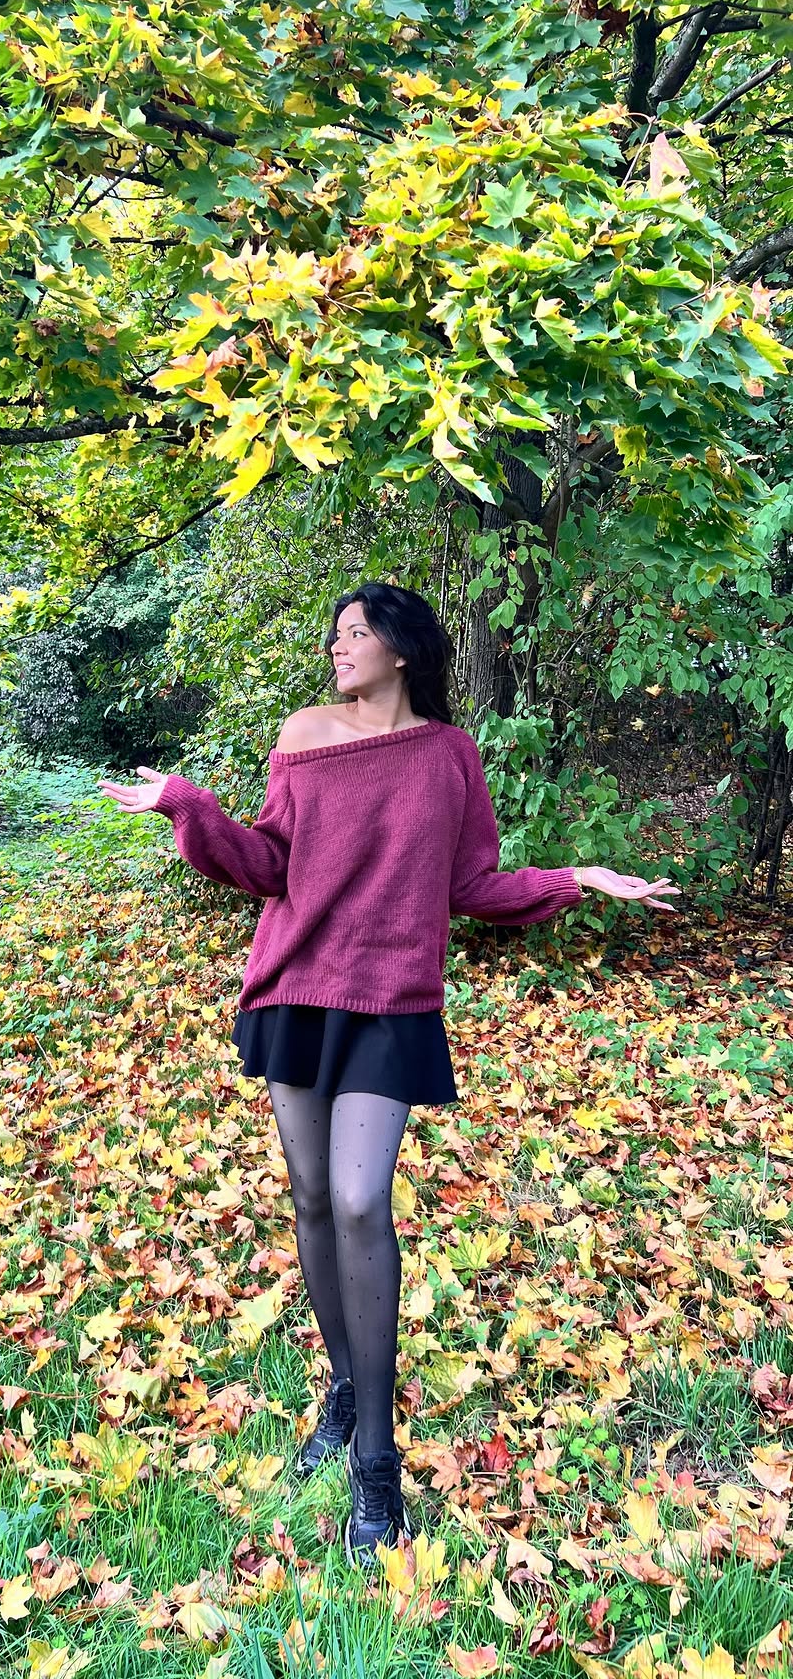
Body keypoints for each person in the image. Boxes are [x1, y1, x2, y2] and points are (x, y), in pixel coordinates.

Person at [98, 581, 679, 1572]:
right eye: (333, 635)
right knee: (313, 1200)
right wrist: (187, 807)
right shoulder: (304, 733)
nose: (337, 648)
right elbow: (269, 864)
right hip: (294, 989)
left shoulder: (448, 756)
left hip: (391, 1002)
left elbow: (469, 884)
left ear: (402, 649)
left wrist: (574, 878)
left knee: (363, 1201)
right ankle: (344, 1388)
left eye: (355, 634)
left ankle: (376, 1458)